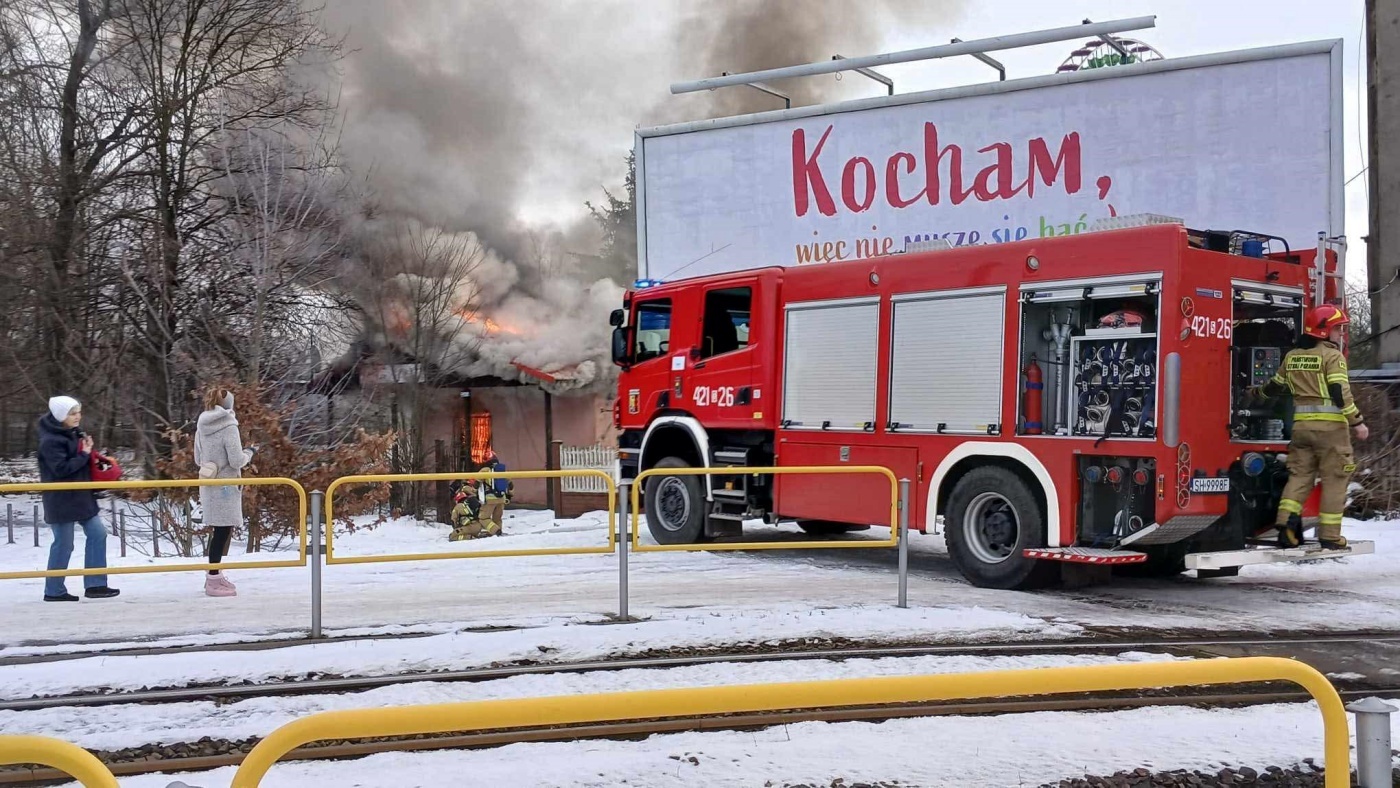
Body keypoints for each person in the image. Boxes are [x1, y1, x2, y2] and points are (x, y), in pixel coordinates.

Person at [1249, 304, 1368, 549]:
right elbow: (1339, 391)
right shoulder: (1332, 356)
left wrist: (1255, 393)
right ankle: (1331, 536)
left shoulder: (1292, 356)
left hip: (1301, 429)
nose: (1341, 334)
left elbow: (1274, 386)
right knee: (1335, 479)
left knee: (1299, 477)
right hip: (1331, 431)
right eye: (1338, 329)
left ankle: (1285, 526)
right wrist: (1357, 422)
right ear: (1324, 331)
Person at [37, 396, 119, 601]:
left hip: (82, 496)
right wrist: (84, 454)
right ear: (60, 416)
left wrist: (91, 456)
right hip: (61, 499)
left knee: (98, 533)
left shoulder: (75, 433)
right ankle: (54, 590)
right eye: (72, 414)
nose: (77, 417)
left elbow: (81, 462)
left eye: (78, 412)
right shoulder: (50, 441)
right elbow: (60, 469)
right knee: (64, 544)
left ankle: (96, 584)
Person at [194, 388, 255, 597]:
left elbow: (197, 458)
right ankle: (213, 578)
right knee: (222, 532)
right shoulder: (229, 426)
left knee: (218, 532)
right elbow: (236, 460)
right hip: (227, 486)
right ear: (229, 405)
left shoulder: (202, 425)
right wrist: (250, 453)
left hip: (209, 483)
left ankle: (214, 574)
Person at [477, 448, 513, 534]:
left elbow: (476, 483)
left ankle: (495, 531)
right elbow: (510, 485)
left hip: (490, 499)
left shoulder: (485, 470)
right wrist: (509, 495)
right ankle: (497, 532)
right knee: (497, 519)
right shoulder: (502, 470)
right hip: (501, 499)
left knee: (483, 518)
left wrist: (473, 492)